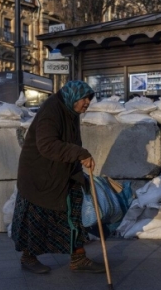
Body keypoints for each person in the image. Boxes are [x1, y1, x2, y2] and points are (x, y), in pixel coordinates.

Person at [11, 80, 106, 274]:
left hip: (62, 173)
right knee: (36, 219)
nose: (87, 102)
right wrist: (80, 153)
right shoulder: (51, 111)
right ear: (73, 96)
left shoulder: (71, 112)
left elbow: (70, 140)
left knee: (75, 213)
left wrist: (78, 161)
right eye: (84, 98)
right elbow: (47, 144)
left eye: (89, 98)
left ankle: (78, 258)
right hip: (39, 176)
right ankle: (28, 258)